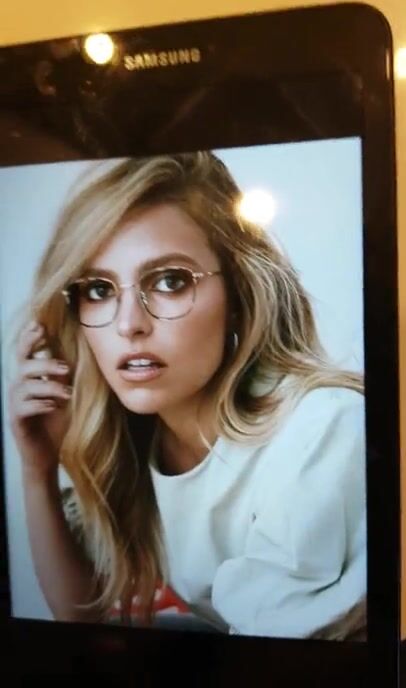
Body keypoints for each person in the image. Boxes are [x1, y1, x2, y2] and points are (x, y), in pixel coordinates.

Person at [7, 151, 366, 639]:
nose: (129, 324)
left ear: (239, 295)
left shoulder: (321, 430)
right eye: (99, 289)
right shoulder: (140, 442)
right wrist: (38, 470)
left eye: (170, 281)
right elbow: (81, 619)